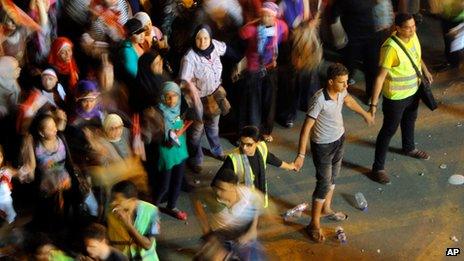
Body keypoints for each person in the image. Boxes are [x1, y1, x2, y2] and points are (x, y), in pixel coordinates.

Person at [294, 63, 374, 242]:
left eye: (346, 82)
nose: (346, 85)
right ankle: (313, 224)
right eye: (342, 82)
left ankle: (326, 208)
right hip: (323, 146)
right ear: (330, 82)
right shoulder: (319, 99)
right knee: (323, 183)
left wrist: (364, 114)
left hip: (339, 139)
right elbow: (306, 128)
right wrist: (300, 155)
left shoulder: (341, 91)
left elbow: (348, 100)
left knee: (333, 177)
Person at [369, 13, 434, 184]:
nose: (412, 30)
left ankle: (409, 148)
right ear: (397, 28)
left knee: (410, 121)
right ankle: (378, 168)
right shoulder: (390, 48)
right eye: (408, 27)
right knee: (389, 130)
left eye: (414, 26)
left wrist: (425, 71)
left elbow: (416, 57)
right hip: (396, 97)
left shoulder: (413, 36)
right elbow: (380, 77)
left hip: (413, 91)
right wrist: (373, 104)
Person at [179, 24, 230, 173]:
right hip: (198, 100)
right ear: (194, 39)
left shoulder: (215, 46)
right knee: (196, 132)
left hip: (214, 95)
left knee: (213, 127)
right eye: (199, 39)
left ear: (210, 38)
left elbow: (226, 48)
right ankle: (196, 158)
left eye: (206, 38)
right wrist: (191, 88)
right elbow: (183, 80)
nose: (203, 42)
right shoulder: (190, 57)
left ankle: (217, 150)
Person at [239, 1, 289, 142]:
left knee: (269, 101)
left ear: (275, 17)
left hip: (270, 68)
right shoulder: (252, 29)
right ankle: (253, 132)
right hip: (254, 69)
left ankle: (266, 130)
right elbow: (242, 34)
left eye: (269, 15)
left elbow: (284, 40)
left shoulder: (281, 26)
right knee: (254, 102)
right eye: (263, 15)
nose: (265, 18)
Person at [216, 126, 295, 207]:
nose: (244, 148)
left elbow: (273, 160)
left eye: (249, 144)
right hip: (243, 203)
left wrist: (290, 166)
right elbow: (218, 181)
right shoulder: (233, 158)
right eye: (242, 143)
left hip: (259, 195)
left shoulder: (262, 148)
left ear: (257, 143)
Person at [206, 169, 266, 260]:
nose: (218, 192)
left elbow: (257, 202)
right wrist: (205, 226)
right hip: (221, 239)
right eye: (217, 188)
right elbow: (196, 197)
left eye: (222, 189)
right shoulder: (210, 196)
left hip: (243, 239)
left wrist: (253, 229)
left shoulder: (246, 193)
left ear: (233, 186)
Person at [153, 82, 188, 220]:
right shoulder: (157, 113)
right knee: (164, 185)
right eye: (167, 96)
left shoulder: (180, 109)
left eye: (175, 96)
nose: (171, 100)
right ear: (162, 97)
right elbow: (154, 136)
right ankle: (152, 208)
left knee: (178, 181)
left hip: (180, 150)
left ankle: (171, 205)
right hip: (167, 151)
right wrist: (169, 135)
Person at [107, 180, 160, 260]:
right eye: (113, 199)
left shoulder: (152, 211)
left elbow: (147, 245)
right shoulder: (111, 213)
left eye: (118, 200)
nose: (113, 203)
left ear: (132, 200)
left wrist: (129, 226)